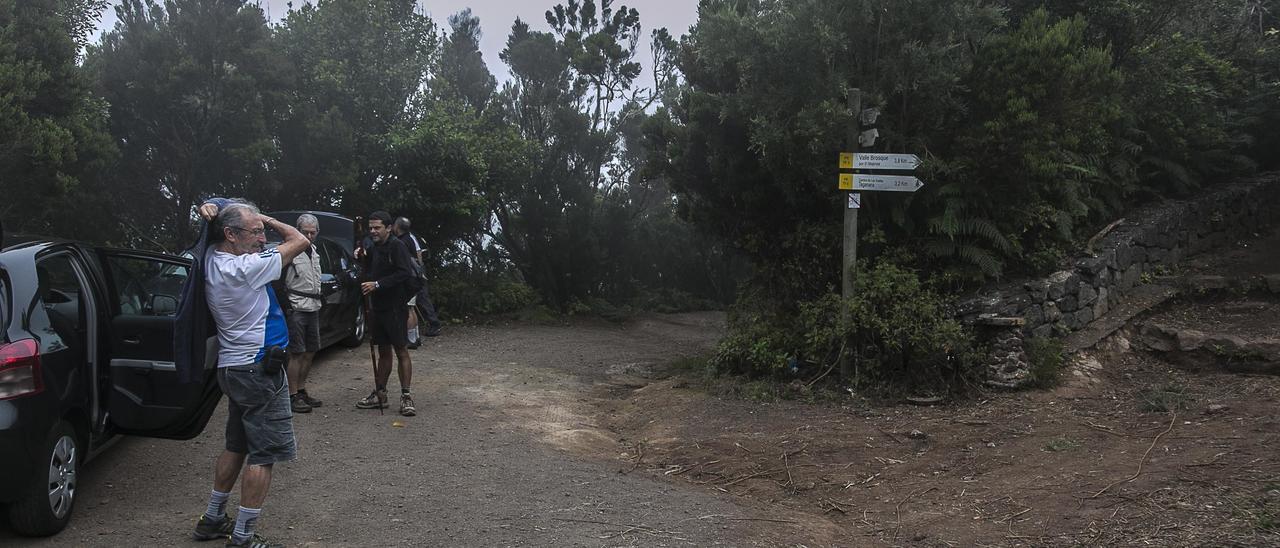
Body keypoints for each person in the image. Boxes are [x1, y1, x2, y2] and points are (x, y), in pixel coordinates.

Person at [189, 199, 309, 548]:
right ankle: (242, 536)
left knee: (235, 445)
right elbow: (301, 240)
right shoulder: (246, 268)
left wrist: (212, 205)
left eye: (262, 231)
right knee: (263, 455)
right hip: (258, 369)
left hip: (234, 368)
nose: (261, 238)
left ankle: (212, 518)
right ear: (230, 234)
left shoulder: (212, 257)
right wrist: (270, 218)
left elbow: (224, 212)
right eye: (255, 232)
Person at [356, 211, 418, 417]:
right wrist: (360, 256)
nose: (372, 231)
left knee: (401, 350)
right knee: (383, 350)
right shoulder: (375, 247)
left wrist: (378, 284)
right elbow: (371, 268)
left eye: (377, 228)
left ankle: (406, 396)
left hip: (395, 307)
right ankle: (380, 392)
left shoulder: (397, 246)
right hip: (379, 307)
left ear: (389, 228)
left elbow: (404, 273)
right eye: (370, 228)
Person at [283, 214, 324, 413]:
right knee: (296, 353)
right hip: (296, 307)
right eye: (305, 231)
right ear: (297, 230)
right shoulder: (289, 250)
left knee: (311, 351)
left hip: (314, 306)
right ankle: (292, 395)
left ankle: (301, 390)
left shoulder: (314, 251)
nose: (309, 235)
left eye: (312, 232)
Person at [392, 216, 442, 344]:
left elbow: (417, 254)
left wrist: (420, 271)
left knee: (416, 301)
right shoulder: (406, 238)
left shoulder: (406, 239)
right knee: (413, 305)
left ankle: (431, 325)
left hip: (413, 273)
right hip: (415, 271)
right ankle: (415, 336)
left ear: (396, 227)